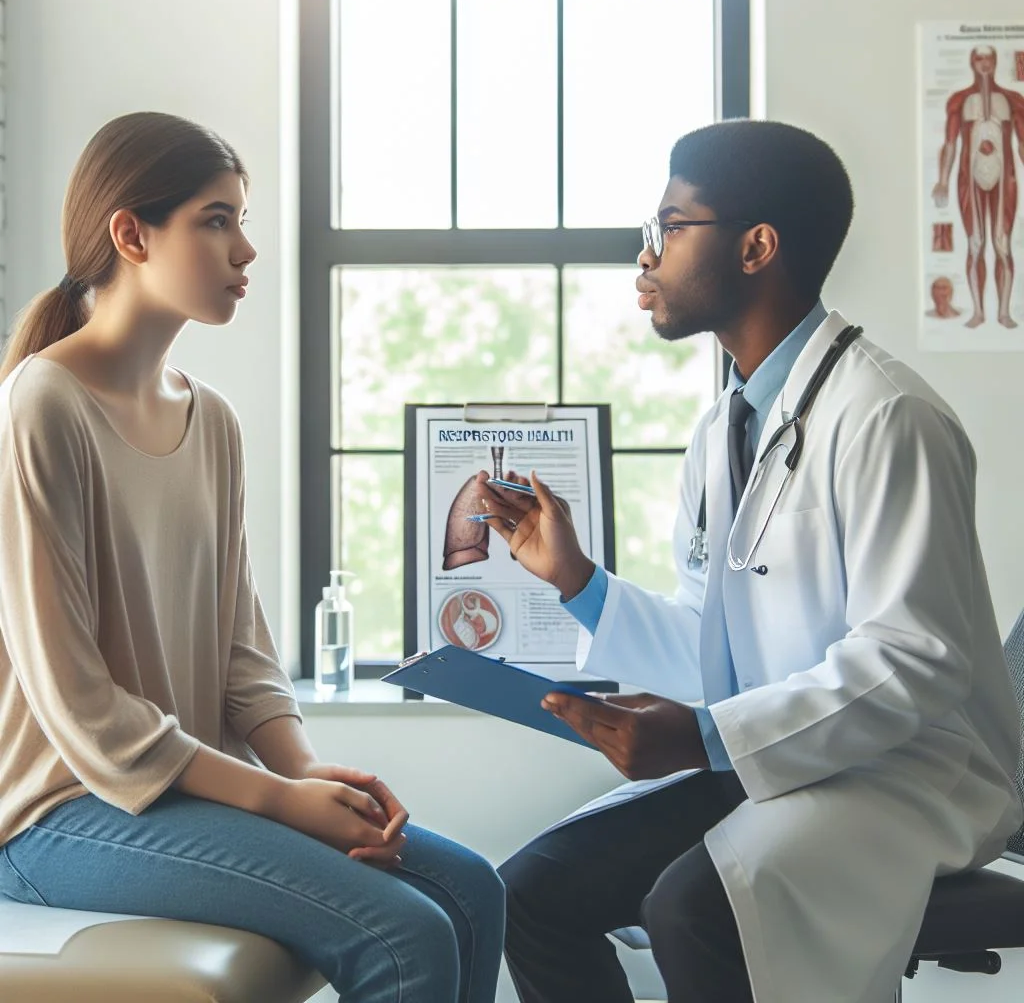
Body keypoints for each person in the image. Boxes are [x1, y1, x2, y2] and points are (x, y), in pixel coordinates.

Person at [477, 120, 1022, 1003]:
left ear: (757, 246)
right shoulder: (723, 426)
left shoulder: (889, 418)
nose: (644, 260)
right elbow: (712, 641)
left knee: (699, 905)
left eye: (668, 227)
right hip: (774, 755)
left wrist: (703, 735)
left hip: (908, 772)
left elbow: (913, 661)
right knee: (531, 892)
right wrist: (576, 582)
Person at [0, 112, 504, 1003]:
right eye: (216, 219)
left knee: (473, 891)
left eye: (241, 218)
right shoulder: (42, 405)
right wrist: (275, 801)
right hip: (59, 813)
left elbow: (243, 651)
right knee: (407, 934)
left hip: (176, 795)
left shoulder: (213, 420)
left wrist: (302, 769)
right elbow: (79, 707)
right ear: (131, 234)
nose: (247, 249)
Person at [933, 45, 1024, 329]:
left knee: (1002, 244)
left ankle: (1004, 313)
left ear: (995, 62)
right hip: (969, 178)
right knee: (975, 244)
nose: (984, 64)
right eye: (979, 58)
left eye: (989, 58)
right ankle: (979, 312)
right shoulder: (960, 100)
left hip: (1004, 177)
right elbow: (949, 144)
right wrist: (943, 181)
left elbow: (1022, 142)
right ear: (973, 62)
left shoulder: (1012, 100)